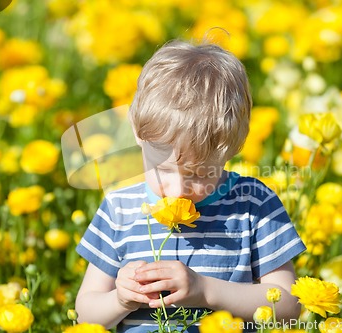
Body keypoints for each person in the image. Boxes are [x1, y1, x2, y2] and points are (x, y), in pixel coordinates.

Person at [75, 40, 306, 332]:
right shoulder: (119, 209)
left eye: (199, 173)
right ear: (137, 132)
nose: (178, 189)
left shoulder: (254, 204)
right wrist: (121, 299)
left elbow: (288, 307)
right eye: (164, 170)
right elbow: (85, 314)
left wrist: (205, 290)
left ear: (233, 147)